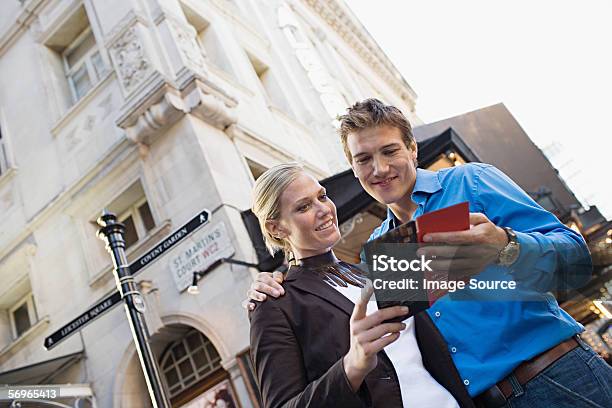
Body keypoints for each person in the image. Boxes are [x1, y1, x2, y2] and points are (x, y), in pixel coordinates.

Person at [246, 99, 612, 408]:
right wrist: (274, 280)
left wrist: (507, 244)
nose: (380, 169)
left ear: (412, 149)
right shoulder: (377, 251)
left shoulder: (471, 181)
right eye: (364, 159)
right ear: (354, 169)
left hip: (559, 378)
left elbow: (576, 260)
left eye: (389, 151)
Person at [249, 163, 469, 407]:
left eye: (322, 196)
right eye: (303, 207)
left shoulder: (375, 267)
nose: (323, 210)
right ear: (275, 227)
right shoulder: (275, 305)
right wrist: (352, 365)